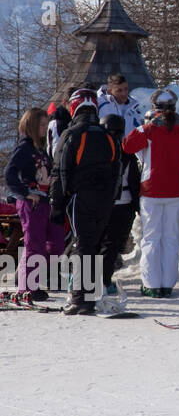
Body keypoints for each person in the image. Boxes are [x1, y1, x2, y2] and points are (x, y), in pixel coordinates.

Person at [122, 88, 179, 298]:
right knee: (171, 239)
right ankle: (167, 284)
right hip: (176, 190)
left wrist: (144, 127)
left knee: (151, 239)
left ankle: (151, 284)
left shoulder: (149, 129)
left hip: (151, 190)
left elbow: (127, 146)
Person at [49, 88, 119, 315]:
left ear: (74, 107)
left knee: (83, 245)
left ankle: (82, 298)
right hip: (105, 198)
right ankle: (88, 294)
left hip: (81, 197)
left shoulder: (73, 133)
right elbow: (117, 169)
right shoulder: (107, 134)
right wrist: (112, 197)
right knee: (93, 244)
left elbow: (60, 170)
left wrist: (56, 203)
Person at [4, 107, 57, 301]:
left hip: (44, 202)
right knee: (33, 245)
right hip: (30, 203)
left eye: (46, 124)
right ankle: (27, 288)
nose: (45, 128)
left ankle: (30, 279)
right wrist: (25, 193)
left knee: (53, 243)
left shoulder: (40, 149)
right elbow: (10, 173)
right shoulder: (24, 148)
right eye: (42, 125)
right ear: (33, 125)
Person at [96, 113, 140, 314]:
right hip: (119, 203)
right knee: (109, 245)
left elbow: (133, 179)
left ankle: (100, 281)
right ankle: (101, 281)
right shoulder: (122, 153)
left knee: (104, 244)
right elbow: (134, 181)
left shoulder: (103, 152)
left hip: (112, 203)